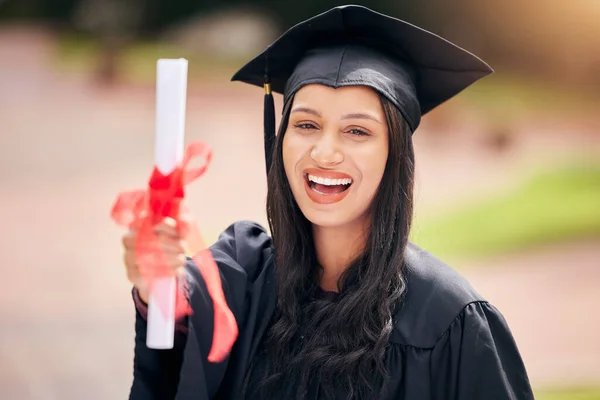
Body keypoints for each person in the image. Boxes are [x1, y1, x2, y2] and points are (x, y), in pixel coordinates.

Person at [123, 5, 534, 400]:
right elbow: (179, 346)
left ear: (395, 156)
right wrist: (156, 289)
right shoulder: (242, 281)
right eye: (305, 124)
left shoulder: (450, 322)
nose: (324, 152)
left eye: (357, 131)